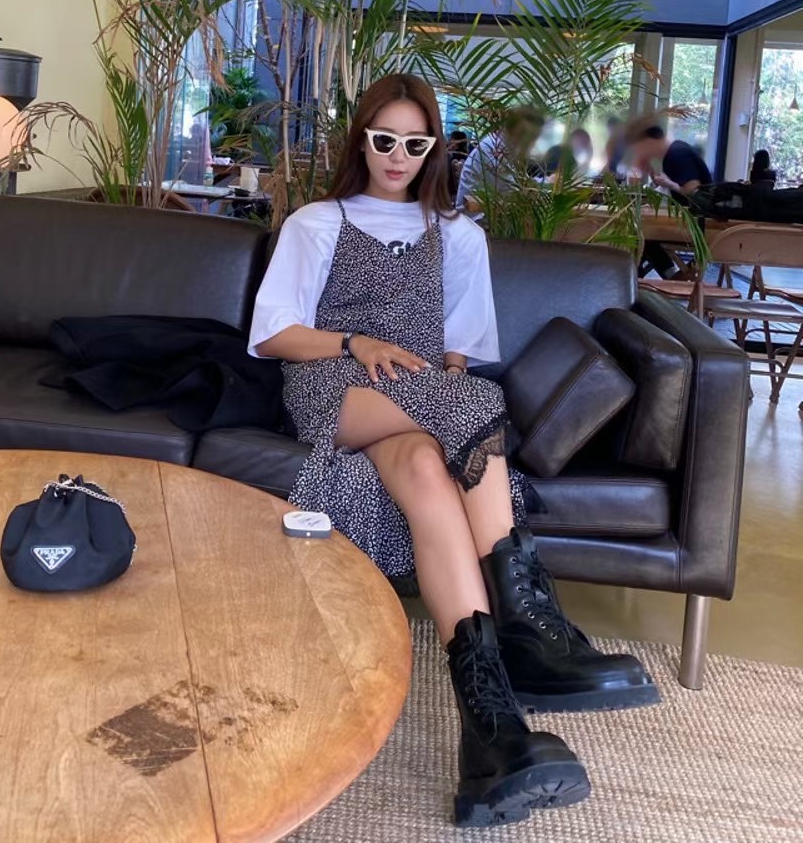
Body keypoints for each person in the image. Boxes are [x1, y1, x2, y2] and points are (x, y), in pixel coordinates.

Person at [248, 73, 656, 829]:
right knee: (471, 407)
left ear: (434, 148)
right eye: (383, 140)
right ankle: (528, 621)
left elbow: (459, 354)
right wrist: (355, 342)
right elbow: (274, 334)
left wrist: (432, 390)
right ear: (361, 140)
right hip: (333, 384)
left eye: (415, 143)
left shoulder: (459, 235)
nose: (396, 156)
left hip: (421, 396)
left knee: (425, 467)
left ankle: (492, 736)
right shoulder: (318, 222)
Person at [626, 123, 712, 278]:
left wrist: (668, 184)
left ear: (651, 142)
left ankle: (670, 276)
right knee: (641, 231)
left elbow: (694, 192)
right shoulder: (674, 153)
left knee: (642, 233)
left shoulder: (677, 154)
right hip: (693, 220)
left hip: (698, 225)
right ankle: (645, 278)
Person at [456, 107, 544, 209]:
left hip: (493, 209)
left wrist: (545, 182)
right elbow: (511, 192)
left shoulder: (506, 147)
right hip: (475, 215)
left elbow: (520, 183)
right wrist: (545, 185)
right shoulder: (493, 148)